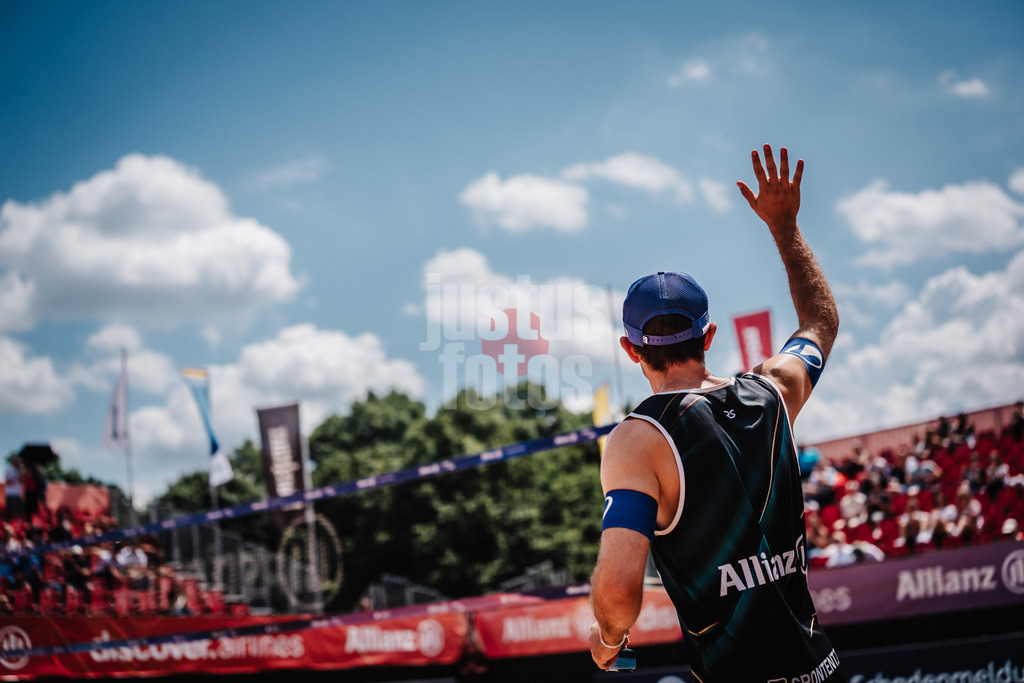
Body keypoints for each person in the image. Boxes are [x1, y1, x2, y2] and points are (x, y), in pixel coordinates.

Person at [588, 145, 845, 681]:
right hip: (821, 669)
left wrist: (608, 639)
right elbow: (820, 322)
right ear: (708, 336)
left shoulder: (638, 440)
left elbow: (618, 591)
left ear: (630, 350)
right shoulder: (773, 391)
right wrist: (785, 228)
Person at [4, 456, 24, 522]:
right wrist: (16, 478)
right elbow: (7, 482)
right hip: (10, 494)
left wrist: (21, 475)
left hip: (17, 495)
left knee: (18, 514)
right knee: (10, 514)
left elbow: (22, 481)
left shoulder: (20, 471)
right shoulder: (9, 471)